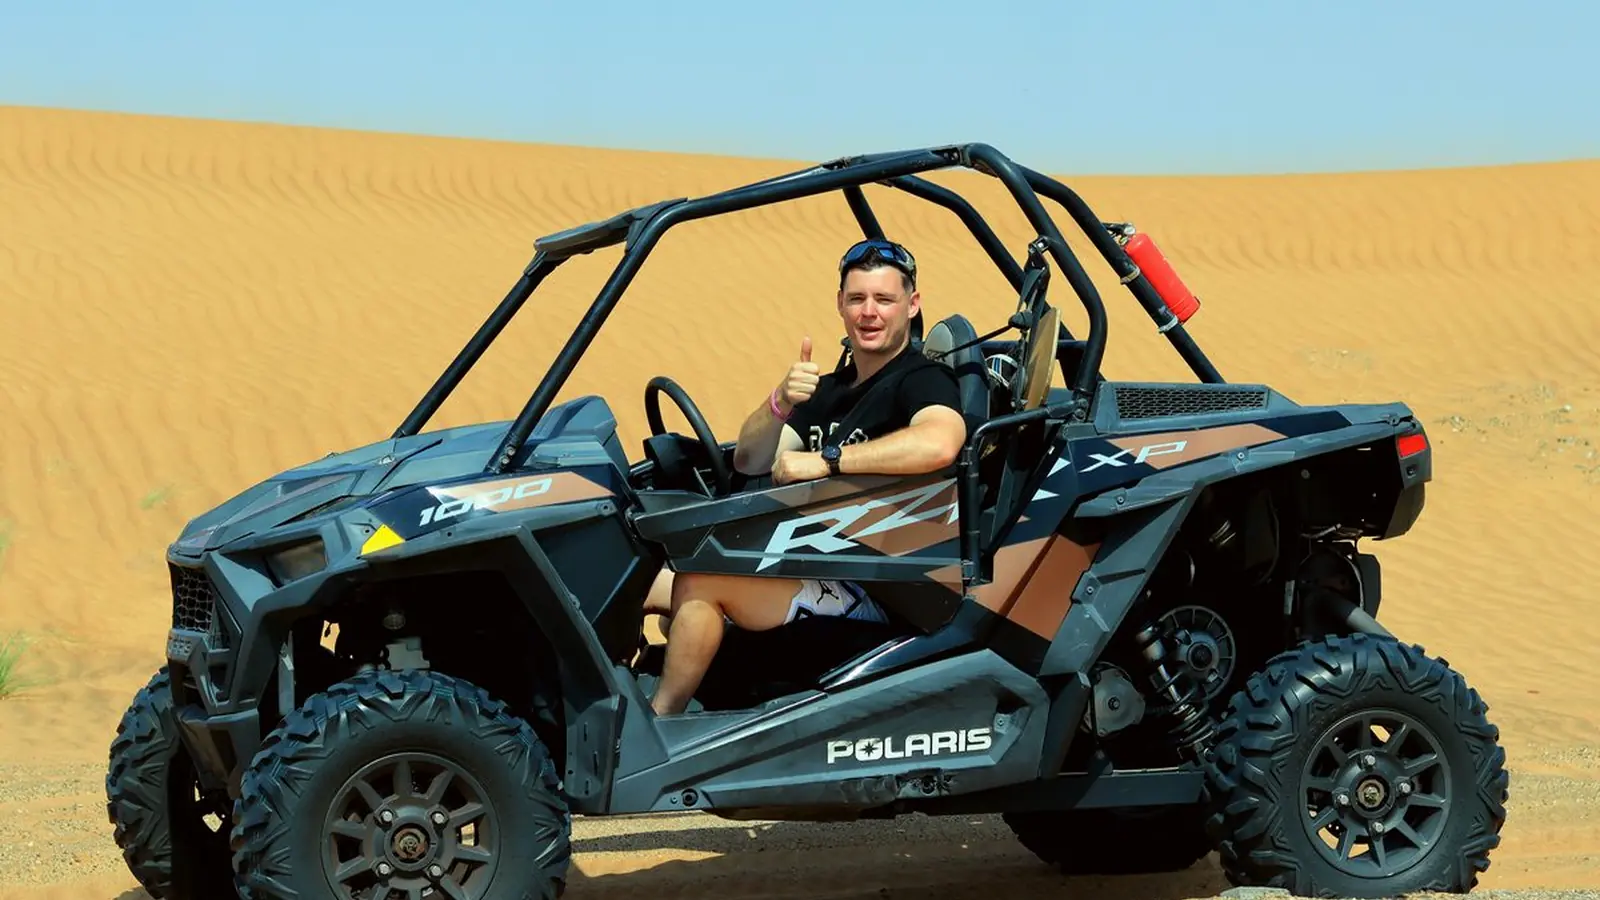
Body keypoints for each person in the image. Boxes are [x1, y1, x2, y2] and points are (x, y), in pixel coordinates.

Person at [644, 238, 968, 715]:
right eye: (857, 299)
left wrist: (829, 460)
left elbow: (940, 442)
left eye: (884, 299)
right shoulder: (830, 389)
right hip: (807, 556)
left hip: (874, 584)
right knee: (641, 577)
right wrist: (780, 401)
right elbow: (750, 460)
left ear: (912, 304)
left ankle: (659, 723)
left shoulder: (920, 379)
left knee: (700, 582)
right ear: (840, 304)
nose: (869, 313)